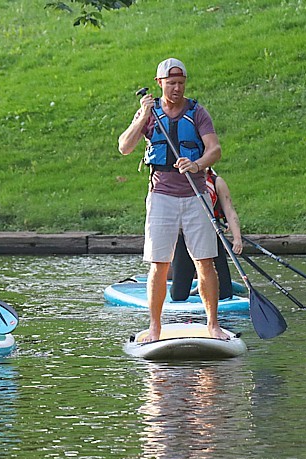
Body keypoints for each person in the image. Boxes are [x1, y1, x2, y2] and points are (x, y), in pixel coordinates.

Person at [118, 58, 229, 342]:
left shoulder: (197, 112)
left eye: (181, 83)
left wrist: (197, 164)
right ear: (159, 84)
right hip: (162, 196)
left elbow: (214, 149)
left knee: (205, 261)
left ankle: (213, 325)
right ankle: (155, 327)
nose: (177, 89)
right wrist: (142, 117)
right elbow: (124, 147)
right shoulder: (149, 113)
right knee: (159, 263)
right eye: (171, 84)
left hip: (195, 194)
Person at [170, 170, 243, 301]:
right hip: (184, 237)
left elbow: (229, 210)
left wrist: (237, 238)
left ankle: (205, 286)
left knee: (225, 294)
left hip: (211, 235)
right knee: (178, 295)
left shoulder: (216, 182)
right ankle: (198, 283)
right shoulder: (177, 180)